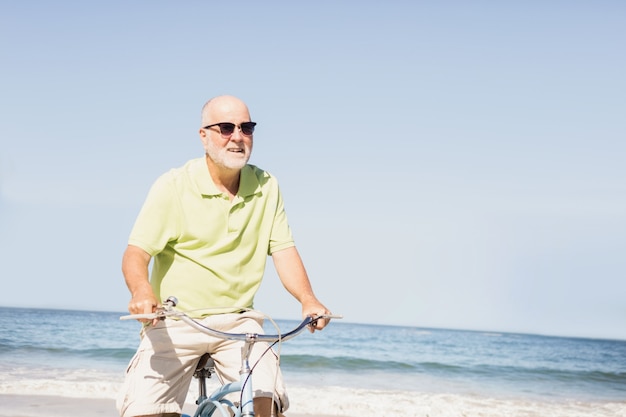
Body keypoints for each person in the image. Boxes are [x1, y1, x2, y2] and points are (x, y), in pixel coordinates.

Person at [117, 95, 331, 417]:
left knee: (266, 402)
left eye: (246, 128)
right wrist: (142, 291)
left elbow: (283, 250)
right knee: (146, 410)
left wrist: (308, 299)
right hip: (176, 319)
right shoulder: (174, 185)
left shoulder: (266, 186)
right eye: (226, 127)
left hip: (239, 320)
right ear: (204, 136)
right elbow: (136, 253)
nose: (237, 137)